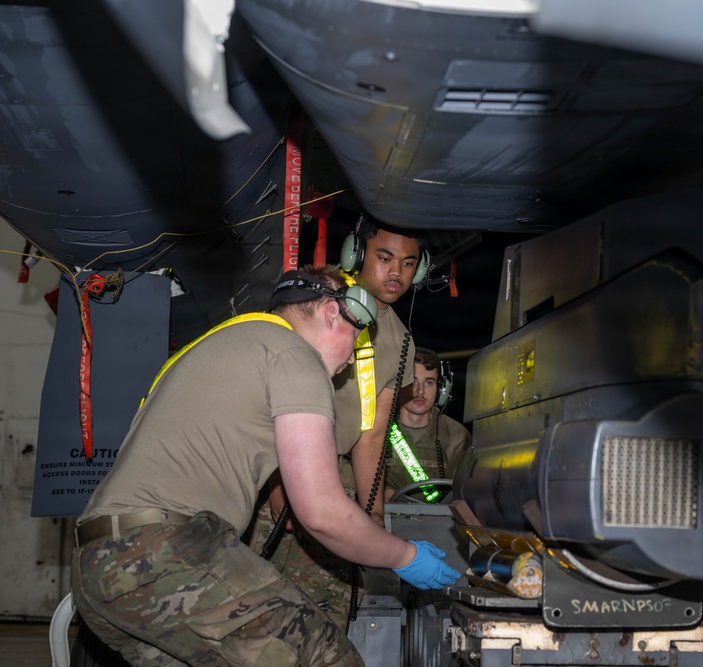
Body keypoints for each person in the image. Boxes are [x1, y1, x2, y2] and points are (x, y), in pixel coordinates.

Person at [70, 267, 459, 666]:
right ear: (330, 313)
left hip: (96, 567)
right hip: (162, 551)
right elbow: (323, 513)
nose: (351, 359)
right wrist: (404, 556)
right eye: (356, 337)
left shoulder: (228, 342)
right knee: (326, 656)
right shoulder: (295, 354)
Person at [248, 215, 430, 623]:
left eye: (407, 262)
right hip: (279, 472)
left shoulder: (401, 339)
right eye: (384, 258)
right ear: (358, 253)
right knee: (254, 612)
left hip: (333, 485)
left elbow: (373, 435)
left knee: (324, 618)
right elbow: (276, 395)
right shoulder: (321, 306)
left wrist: (375, 516)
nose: (396, 272)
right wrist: (280, 483)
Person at [385, 347, 471, 501]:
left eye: (429, 383)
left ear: (441, 389)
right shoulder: (377, 430)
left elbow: (462, 496)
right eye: (412, 382)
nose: (420, 392)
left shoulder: (456, 436)